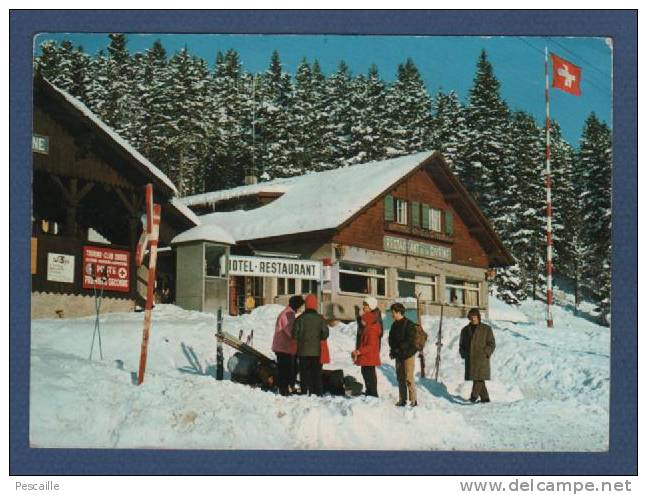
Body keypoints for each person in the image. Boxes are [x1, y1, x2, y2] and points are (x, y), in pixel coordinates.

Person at [293, 294, 329, 396]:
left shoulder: (300, 319)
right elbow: (325, 334)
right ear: (315, 305)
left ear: (306, 305)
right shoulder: (320, 319)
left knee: (304, 373)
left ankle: (304, 391)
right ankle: (317, 393)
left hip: (302, 351)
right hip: (316, 351)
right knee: (316, 373)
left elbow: (294, 335)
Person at [459, 308, 496, 403]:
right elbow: (461, 344)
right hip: (470, 359)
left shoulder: (486, 329)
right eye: (471, 317)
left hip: (482, 359)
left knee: (478, 378)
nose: (473, 319)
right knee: (478, 378)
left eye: (475, 316)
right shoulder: (465, 330)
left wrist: (485, 352)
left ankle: (473, 397)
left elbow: (491, 343)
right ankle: (485, 398)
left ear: (478, 317)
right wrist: (463, 353)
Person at [271, 295, 304, 396]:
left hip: (284, 347)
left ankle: (286, 388)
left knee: (287, 368)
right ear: (296, 305)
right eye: (300, 306)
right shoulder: (287, 315)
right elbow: (291, 332)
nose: (300, 308)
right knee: (285, 369)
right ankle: (283, 390)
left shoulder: (289, 313)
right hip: (283, 347)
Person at [388, 302, 418, 407]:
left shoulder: (409, 324)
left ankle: (413, 400)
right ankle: (402, 399)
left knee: (408, 378)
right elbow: (391, 339)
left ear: (399, 312)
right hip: (398, 355)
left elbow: (410, 340)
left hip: (408, 354)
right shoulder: (394, 325)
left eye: (393, 312)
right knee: (400, 378)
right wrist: (393, 350)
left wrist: (399, 348)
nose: (392, 315)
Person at [351, 296, 382, 397]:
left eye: (365, 305)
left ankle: (372, 395)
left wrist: (359, 351)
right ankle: (370, 393)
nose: (363, 307)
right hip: (367, 356)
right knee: (366, 374)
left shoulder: (372, 328)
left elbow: (371, 345)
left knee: (369, 376)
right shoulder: (369, 326)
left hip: (369, 356)